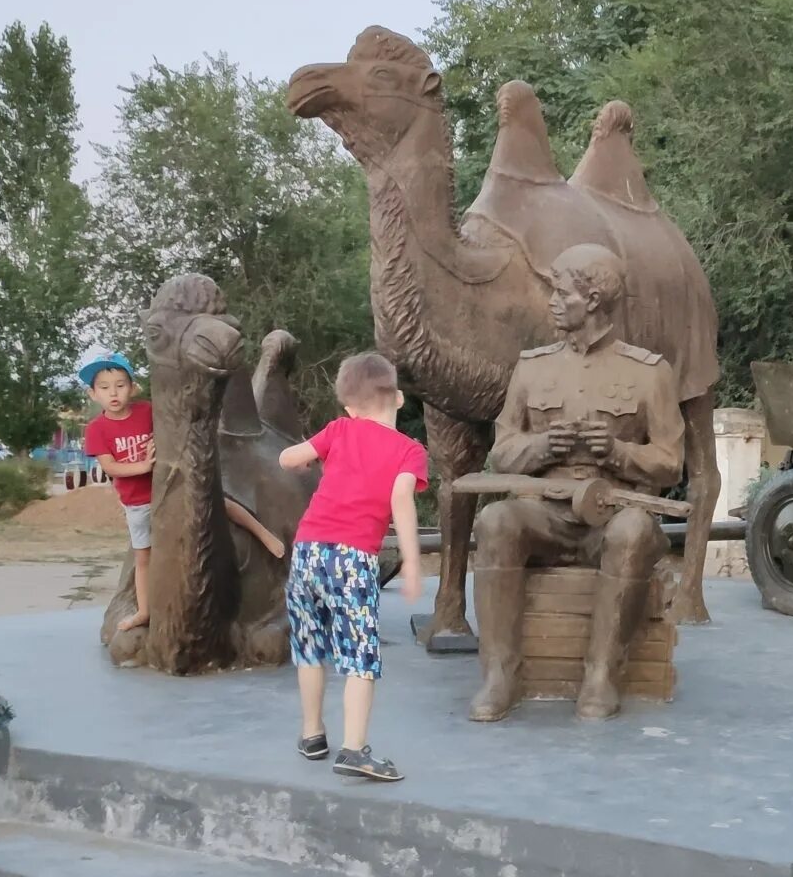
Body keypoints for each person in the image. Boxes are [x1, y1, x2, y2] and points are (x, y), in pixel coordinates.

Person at [469, 243, 685, 722]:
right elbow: (501, 451)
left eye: (560, 292)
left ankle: (602, 675)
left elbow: (671, 462)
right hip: (545, 511)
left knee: (632, 532)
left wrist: (618, 452)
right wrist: (544, 447)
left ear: (592, 300)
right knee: (495, 520)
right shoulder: (532, 367)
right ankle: (499, 675)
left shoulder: (650, 373)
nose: (549, 301)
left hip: (613, 515)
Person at [278, 352, 426, 783]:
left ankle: (312, 735)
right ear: (398, 399)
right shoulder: (409, 451)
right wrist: (413, 562)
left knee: (309, 645)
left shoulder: (338, 430)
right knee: (360, 655)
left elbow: (289, 458)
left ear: (349, 408)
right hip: (351, 559)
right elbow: (401, 500)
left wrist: (306, 458)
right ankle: (354, 749)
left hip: (307, 552)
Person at [81, 353, 155, 633]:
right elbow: (111, 467)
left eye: (120, 385)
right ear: (93, 394)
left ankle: (263, 534)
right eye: (105, 387)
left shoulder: (148, 411)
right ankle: (144, 611)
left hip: (165, 492)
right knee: (143, 556)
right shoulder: (96, 429)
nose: (113, 392)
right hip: (137, 502)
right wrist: (145, 465)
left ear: (132, 388)